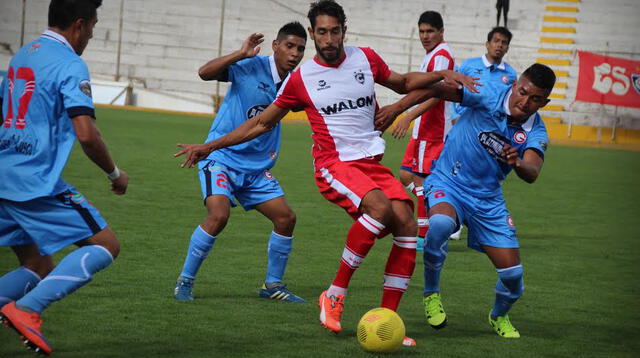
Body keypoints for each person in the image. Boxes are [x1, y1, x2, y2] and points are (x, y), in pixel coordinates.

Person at [175, 0, 478, 347]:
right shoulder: (302, 79)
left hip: (370, 162)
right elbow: (261, 122)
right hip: (333, 164)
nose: (329, 39)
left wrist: (439, 76)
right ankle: (333, 295)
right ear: (313, 34)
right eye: (322, 32)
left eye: (335, 31)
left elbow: (404, 81)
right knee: (379, 209)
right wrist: (209, 147)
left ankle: (388, 321)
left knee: (407, 224)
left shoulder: (365, 57)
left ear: (344, 31)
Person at [375, 63, 555, 338]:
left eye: (536, 100)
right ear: (517, 84)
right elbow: (436, 89)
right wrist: (399, 110)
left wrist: (516, 161)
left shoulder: (536, 131)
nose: (526, 102)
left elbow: (532, 172)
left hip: (488, 199)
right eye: (523, 92)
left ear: (545, 102)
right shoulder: (488, 92)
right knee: (440, 225)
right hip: (449, 181)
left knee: (514, 279)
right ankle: (431, 293)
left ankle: (498, 316)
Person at [0, 0, 128, 354]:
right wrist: (114, 173)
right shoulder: (70, 64)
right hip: (34, 182)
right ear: (79, 24)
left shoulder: (24, 54)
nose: (90, 35)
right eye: (92, 27)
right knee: (106, 245)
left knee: (37, 264)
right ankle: (27, 310)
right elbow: (86, 133)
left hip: (3, 176)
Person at [172, 23, 307, 303]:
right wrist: (240, 53)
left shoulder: (296, 82)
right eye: (290, 46)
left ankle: (272, 285)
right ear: (276, 46)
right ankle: (185, 280)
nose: (295, 54)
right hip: (221, 158)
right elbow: (204, 73)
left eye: (301, 49)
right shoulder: (250, 65)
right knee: (219, 215)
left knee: (286, 218)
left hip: (257, 168)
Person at [389, 11, 455, 248]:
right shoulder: (432, 55)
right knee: (407, 174)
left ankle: (426, 233)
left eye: (430, 31)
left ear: (441, 32)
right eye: (422, 31)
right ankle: (442, 212)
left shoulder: (441, 56)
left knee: (420, 178)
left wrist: (408, 115)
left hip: (432, 128)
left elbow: (437, 95)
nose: (425, 36)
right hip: (423, 128)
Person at [447, 26, 517, 240]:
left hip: (490, 137)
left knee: (482, 176)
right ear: (487, 43)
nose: (499, 45)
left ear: (507, 47)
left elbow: (509, 106)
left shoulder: (511, 75)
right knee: (456, 171)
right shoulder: (469, 66)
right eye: (496, 41)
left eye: (504, 42)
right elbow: (453, 91)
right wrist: (454, 116)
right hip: (464, 130)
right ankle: (455, 220)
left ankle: (476, 220)